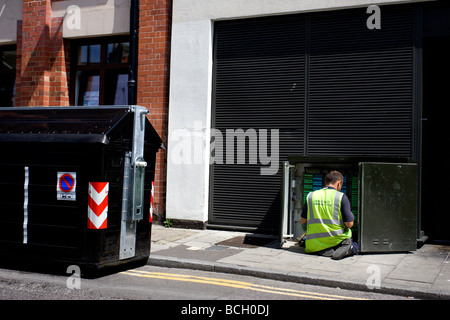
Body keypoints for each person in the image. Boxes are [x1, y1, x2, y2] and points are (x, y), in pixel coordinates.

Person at [300, 170, 358, 260]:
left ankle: (322, 249)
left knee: (309, 242)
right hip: (336, 240)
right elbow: (349, 224)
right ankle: (348, 248)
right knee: (356, 245)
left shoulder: (311, 196)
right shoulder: (341, 197)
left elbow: (303, 220)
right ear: (339, 183)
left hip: (313, 243)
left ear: (325, 182)